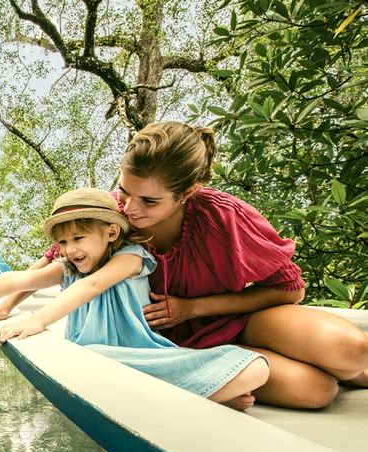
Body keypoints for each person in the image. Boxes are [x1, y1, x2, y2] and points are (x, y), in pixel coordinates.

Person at [0, 188, 270, 411]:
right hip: (94, 360)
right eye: (64, 243)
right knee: (83, 364)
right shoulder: (70, 267)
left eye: (79, 238)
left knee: (255, 366)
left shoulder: (132, 258)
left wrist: (37, 320)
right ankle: (208, 396)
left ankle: (203, 393)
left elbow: (93, 286)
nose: (70, 250)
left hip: (138, 355)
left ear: (111, 231)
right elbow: (18, 278)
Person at [111, 121, 368, 409]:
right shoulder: (104, 214)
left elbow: (290, 291)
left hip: (240, 321)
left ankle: (348, 371)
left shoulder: (223, 216)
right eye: (124, 190)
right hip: (177, 350)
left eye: (149, 200)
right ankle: (339, 372)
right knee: (316, 392)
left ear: (187, 191)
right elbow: (57, 257)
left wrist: (191, 308)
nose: (129, 208)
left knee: (355, 350)